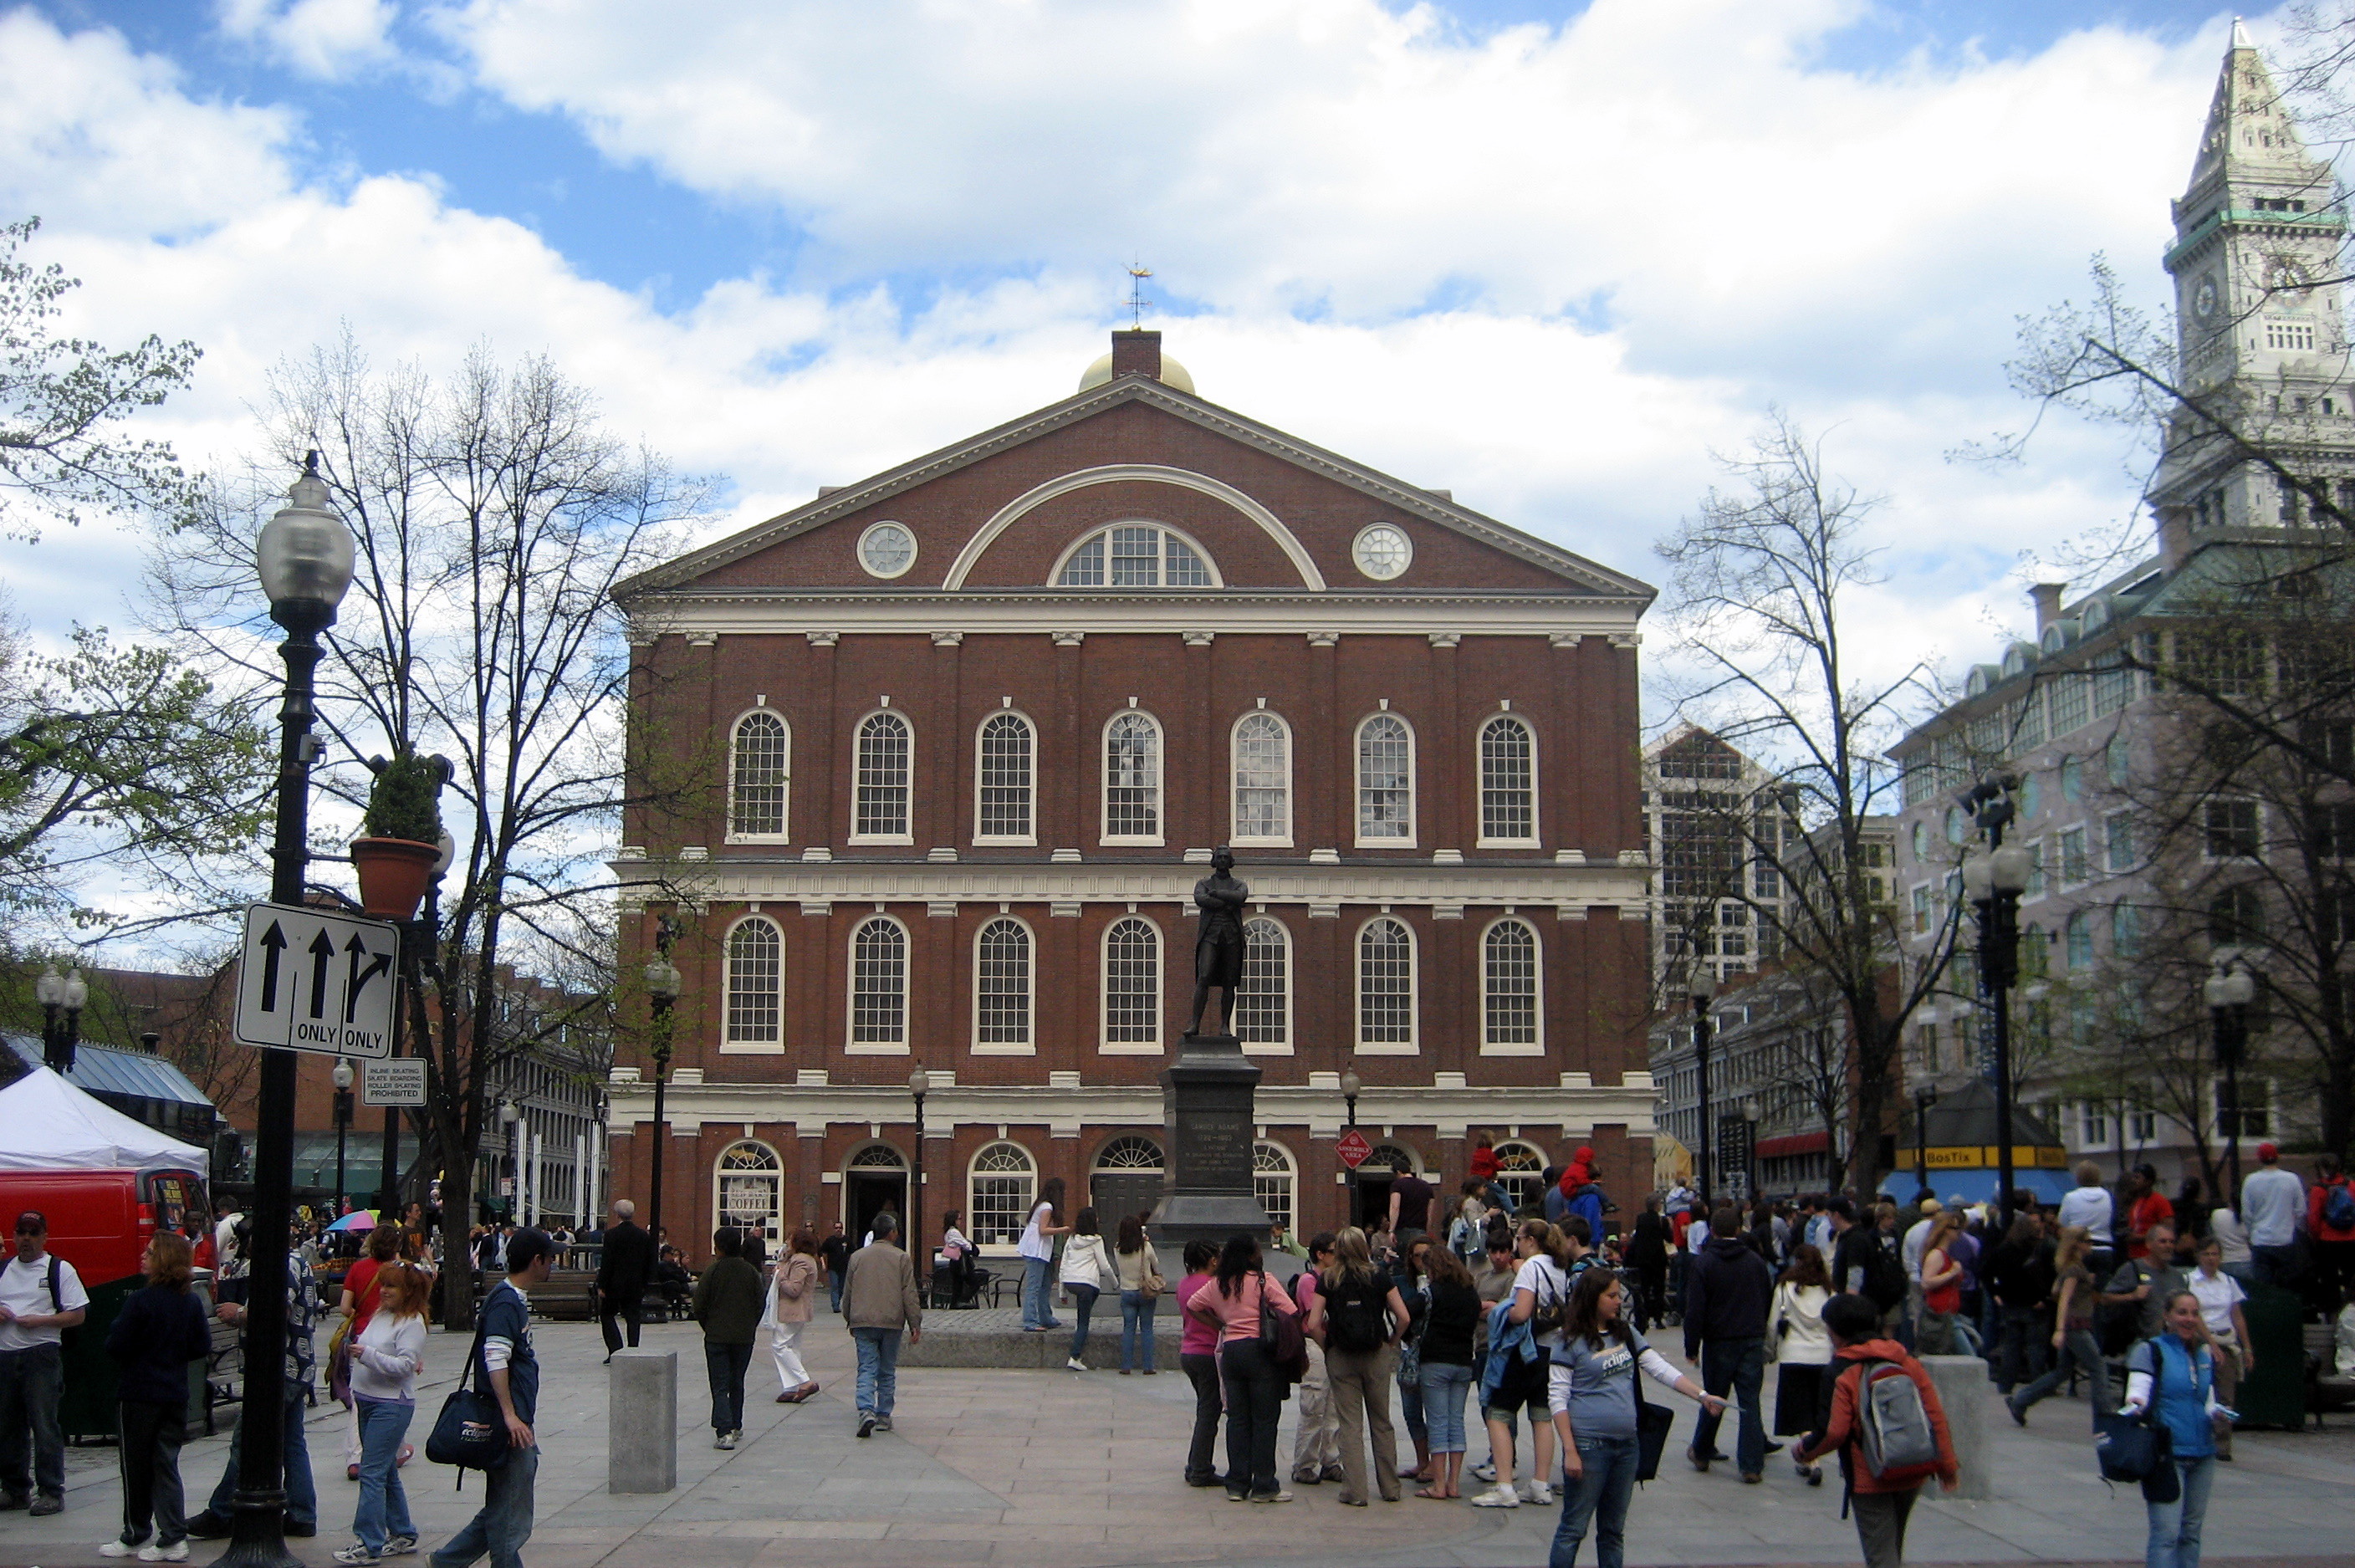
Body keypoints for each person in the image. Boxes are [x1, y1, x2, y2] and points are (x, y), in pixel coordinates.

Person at [1547, 1267, 1728, 1568]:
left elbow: (1659, 1368)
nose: (1619, 1301)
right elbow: (1557, 1397)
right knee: (1573, 1528)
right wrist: (1570, 1450)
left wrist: (1702, 1395)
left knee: (1613, 1531)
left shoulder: (1624, 1333)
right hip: (1589, 1445)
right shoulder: (1569, 1342)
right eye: (1612, 1296)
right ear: (1592, 1299)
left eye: (1619, 1295)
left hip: (1626, 1445)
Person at [1796, 1294, 1959, 1568]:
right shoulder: (1906, 1361)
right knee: (1892, 1547)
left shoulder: (1842, 1370)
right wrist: (1948, 1466)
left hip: (1870, 1474)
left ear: (1837, 1332)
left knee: (1880, 1556)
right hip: (1913, 1467)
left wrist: (1804, 1451)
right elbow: (1935, 1417)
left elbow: (1834, 1432)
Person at [184, 1226, 319, 1542]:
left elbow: (276, 1310)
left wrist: (240, 1312)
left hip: (279, 1368)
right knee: (291, 1443)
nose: (248, 1244)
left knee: (246, 1441)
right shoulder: (294, 1261)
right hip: (295, 1366)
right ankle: (302, 1513)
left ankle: (222, 1512)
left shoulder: (283, 1265)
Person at [430, 1228, 552, 1568]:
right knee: (510, 1512)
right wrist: (511, 1415)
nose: (552, 1264)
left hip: (514, 1420)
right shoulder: (505, 1301)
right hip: (507, 1422)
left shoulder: (510, 1299)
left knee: (504, 1503)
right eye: (550, 1258)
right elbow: (495, 1357)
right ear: (536, 1260)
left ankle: (446, 1562)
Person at [99, 1232, 209, 1561]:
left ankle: (135, 1531)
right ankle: (173, 1536)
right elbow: (201, 1346)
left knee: (135, 1466)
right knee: (166, 1464)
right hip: (174, 1392)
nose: (143, 1257)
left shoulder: (140, 1301)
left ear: (162, 1260)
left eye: (149, 1252)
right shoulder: (190, 1301)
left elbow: (115, 1344)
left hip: (139, 1392)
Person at [1185, 1232, 1298, 1503]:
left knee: (1237, 1419)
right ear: (1251, 1255)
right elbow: (1291, 1311)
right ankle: (1264, 1485)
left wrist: (1221, 1324)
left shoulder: (1219, 1284)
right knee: (1264, 1420)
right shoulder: (1262, 1280)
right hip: (1259, 1350)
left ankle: (1237, 1483)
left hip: (1231, 1352)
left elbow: (1192, 1306)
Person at [1304, 1226, 1407, 1507]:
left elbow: (1313, 1323)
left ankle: (1356, 1491)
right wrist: (1392, 1342)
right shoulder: (1379, 1276)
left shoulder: (1328, 1278)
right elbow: (1404, 1316)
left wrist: (1327, 1347)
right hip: (1376, 1353)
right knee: (1382, 1422)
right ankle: (1390, 1487)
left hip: (1342, 1354)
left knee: (1350, 1425)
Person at [2124, 1290, 2229, 1568]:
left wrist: (2217, 1412)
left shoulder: (2204, 1354)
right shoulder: (2151, 1350)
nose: (2189, 1319)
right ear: (2167, 1317)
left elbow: (2206, 1399)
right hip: (2166, 1456)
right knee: (2167, 1534)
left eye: (2195, 1313)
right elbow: (2138, 1391)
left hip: (2203, 1453)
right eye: (2182, 1312)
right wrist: (2135, 1404)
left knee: (2191, 1534)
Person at [1471, 1219, 1570, 1509]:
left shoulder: (1531, 1267)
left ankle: (1504, 1486)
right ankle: (1540, 1484)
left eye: (1519, 1237)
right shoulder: (1559, 1267)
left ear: (1529, 1240)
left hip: (1524, 1351)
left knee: (1498, 1413)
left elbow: (1521, 1313)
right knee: (1542, 1416)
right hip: (1552, 1351)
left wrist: (1502, 1309)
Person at [337, 1260, 429, 1565]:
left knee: (372, 1473)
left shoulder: (412, 1323)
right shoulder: (382, 1315)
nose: (384, 1291)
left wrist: (369, 1355)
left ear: (408, 1292)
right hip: (367, 1400)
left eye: (392, 1286)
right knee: (385, 1471)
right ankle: (403, 1532)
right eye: (383, 1284)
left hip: (390, 1405)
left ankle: (368, 1542)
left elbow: (405, 1367)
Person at [0, 1210, 89, 1518]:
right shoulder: (3, 1269)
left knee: (44, 1423)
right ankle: (14, 1488)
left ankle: (51, 1490)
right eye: (21, 1232)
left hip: (41, 1354)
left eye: (33, 1233)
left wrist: (42, 1321)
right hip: (5, 1355)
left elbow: (77, 1315)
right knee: (8, 1425)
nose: (26, 1239)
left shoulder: (58, 1269)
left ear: (44, 1237)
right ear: (13, 1236)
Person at [1683, 1203, 1774, 1483]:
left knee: (1714, 1398)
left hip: (1718, 1339)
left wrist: (1691, 1345)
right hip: (1750, 1337)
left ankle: (1701, 1449)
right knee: (1750, 1401)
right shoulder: (1755, 1262)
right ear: (1738, 1230)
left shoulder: (1705, 1263)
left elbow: (1695, 1308)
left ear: (1712, 1231)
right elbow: (1766, 1295)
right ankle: (1751, 1465)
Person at [2004, 1225, 2105, 1428]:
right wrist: (2060, 1330)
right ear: (2077, 1244)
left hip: (2073, 1325)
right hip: (2076, 1326)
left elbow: (2056, 1291)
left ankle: (2021, 1400)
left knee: (2062, 1371)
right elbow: (2064, 1300)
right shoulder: (2075, 1269)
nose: (2091, 1245)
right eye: (2088, 1241)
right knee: (2098, 1368)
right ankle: (2105, 1418)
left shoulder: (2070, 1268)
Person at [841, 1210, 922, 1438]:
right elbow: (909, 1293)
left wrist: (849, 1317)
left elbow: (848, 1291)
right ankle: (884, 1414)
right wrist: (915, 1322)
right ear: (892, 1233)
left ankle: (866, 1410)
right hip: (891, 1321)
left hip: (863, 1321)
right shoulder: (901, 1258)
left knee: (866, 1367)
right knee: (886, 1370)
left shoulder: (857, 1257)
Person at [335, 1224, 401, 1482]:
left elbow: (344, 1308)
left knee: (360, 1397)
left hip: (361, 1338)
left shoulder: (358, 1269)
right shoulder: (400, 1272)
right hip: (393, 1339)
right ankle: (392, 1449)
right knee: (395, 1397)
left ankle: (355, 1457)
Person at [1416, 1244, 1481, 1500]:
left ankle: (1439, 1485)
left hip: (1435, 1360)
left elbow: (1410, 1312)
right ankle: (1454, 1484)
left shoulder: (1432, 1292)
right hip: (1464, 1361)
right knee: (1456, 1421)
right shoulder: (1470, 1293)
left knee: (1438, 1423)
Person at [689, 1227, 763, 1450]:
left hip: (717, 1337)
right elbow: (760, 1304)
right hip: (743, 1337)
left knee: (720, 1385)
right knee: (737, 1381)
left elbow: (699, 1305)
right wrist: (750, 1326)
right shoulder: (750, 1272)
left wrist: (709, 1327)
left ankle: (724, 1431)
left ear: (718, 1247)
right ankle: (736, 1424)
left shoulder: (712, 1272)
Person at [1767, 1244, 1833, 1486]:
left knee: (1800, 1411)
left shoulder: (1785, 1288)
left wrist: (1770, 1349)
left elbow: (1773, 1324)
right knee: (1818, 1411)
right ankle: (1811, 1457)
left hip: (1793, 1355)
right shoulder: (1829, 1290)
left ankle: (1811, 1460)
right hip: (1823, 1355)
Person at [2185, 1238, 2252, 1461]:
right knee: (2201, 1391)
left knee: (2226, 1394)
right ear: (2198, 1256)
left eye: (2215, 1255)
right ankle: (2197, 1437)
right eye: (2207, 1254)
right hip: (2201, 1340)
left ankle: (2223, 1445)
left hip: (2227, 1339)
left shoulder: (2229, 1282)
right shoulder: (2190, 1281)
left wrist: (2247, 1347)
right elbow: (2195, 1316)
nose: (2211, 1259)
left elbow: (2237, 1315)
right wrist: (2210, 1344)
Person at [1286, 1233, 1343, 1485]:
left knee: (1334, 1409)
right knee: (1314, 1406)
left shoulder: (1336, 1278)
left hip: (1333, 1346)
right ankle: (1304, 1464)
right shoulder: (1309, 1282)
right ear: (1320, 1254)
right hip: (1315, 1346)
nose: (1338, 1256)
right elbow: (1314, 1321)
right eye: (1334, 1251)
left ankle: (1331, 1461)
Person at [1983, 1214, 2056, 1397]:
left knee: (2011, 1347)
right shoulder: (2036, 1250)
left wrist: (1996, 1293)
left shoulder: (2003, 1250)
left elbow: (1985, 1272)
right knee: (2035, 1347)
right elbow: (2046, 1277)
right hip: (2035, 1304)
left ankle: (2006, 1384)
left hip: (2010, 1302)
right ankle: (2039, 1386)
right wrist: (2043, 1298)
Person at [1173, 1240, 1226, 1488]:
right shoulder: (1211, 1285)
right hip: (1208, 1352)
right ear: (1213, 1260)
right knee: (1209, 1412)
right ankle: (1200, 1468)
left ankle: (1195, 1463)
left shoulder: (1184, 1284)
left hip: (1189, 1351)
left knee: (1205, 1408)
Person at [2104, 1218, 2189, 1343]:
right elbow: (2105, 1298)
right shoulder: (2132, 1269)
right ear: (2149, 1244)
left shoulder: (2177, 1276)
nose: (2168, 1246)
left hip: (2174, 1342)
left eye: (2171, 1242)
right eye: (2163, 1242)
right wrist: (2132, 1296)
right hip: (2143, 1342)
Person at [595, 1199, 655, 1360]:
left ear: (617, 1214)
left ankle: (615, 1350)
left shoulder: (611, 1235)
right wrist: (645, 1282)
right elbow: (650, 1260)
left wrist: (602, 1284)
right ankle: (633, 1349)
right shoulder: (643, 1235)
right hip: (635, 1284)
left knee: (607, 1315)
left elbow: (607, 1261)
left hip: (615, 1283)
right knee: (633, 1317)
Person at [2240, 1142, 2305, 1290]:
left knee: (2263, 1288)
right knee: (2288, 1288)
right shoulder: (2291, 1179)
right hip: (2285, 1240)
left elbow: (2247, 1214)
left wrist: (2251, 1234)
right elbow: (2301, 1210)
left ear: (2259, 1159)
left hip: (2261, 1241)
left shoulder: (2251, 1181)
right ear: (2277, 1157)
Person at [1056, 1207, 1115, 1371]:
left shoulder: (1071, 1239)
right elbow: (1105, 1266)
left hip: (1070, 1281)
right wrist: (1115, 1283)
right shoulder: (1097, 1241)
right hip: (1087, 1284)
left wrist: (1062, 1291)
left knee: (1084, 1308)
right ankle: (1075, 1357)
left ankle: (1079, 1327)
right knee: (1084, 1321)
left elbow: (1063, 1265)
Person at [770, 1227, 822, 1403]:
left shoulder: (801, 1261)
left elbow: (794, 1289)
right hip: (798, 1311)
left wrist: (779, 1276)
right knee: (792, 1347)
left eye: (790, 1240)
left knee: (780, 1345)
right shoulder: (799, 1259)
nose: (787, 1243)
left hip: (792, 1309)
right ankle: (791, 1387)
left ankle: (804, 1381)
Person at [1016, 1178, 1070, 1333]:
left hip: (1043, 1251)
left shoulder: (1042, 1205)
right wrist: (1063, 1229)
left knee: (1045, 1285)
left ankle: (1046, 1317)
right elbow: (1043, 1230)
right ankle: (1030, 1320)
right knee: (1034, 1287)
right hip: (1036, 1251)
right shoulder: (1047, 1207)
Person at [1112, 1214, 1162, 1375]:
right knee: (1147, 1328)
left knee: (1129, 1329)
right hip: (1145, 1291)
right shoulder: (1145, 1247)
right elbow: (1156, 1263)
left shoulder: (1117, 1248)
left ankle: (1126, 1365)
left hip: (1127, 1291)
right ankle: (1148, 1366)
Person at [1914, 1211, 1965, 1356]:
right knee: (1968, 1355)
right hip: (1941, 1316)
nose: (1959, 1232)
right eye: (1955, 1228)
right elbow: (1926, 1282)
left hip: (1950, 1315)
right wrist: (1952, 1273)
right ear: (1945, 1230)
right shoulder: (1937, 1255)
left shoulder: (1947, 1254)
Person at [2308, 1153, 2355, 1309]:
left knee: (2330, 1279)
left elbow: (2314, 1219)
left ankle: (2334, 1313)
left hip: (2327, 1239)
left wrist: (2316, 1239)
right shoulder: (2351, 1186)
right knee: (2351, 1277)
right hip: (2351, 1238)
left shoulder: (2318, 1189)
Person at [2056, 1164, 2114, 1278]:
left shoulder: (2070, 1197)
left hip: (2079, 1249)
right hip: (2104, 1247)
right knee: (2102, 1286)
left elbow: (2062, 1222)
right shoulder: (2108, 1196)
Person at [1624, 1198, 1669, 1334]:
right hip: (1658, 1258)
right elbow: (1669, 1238)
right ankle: (1658, 1319)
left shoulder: (1641, 1218)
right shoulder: (1662, 1220)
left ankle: (1644, 1316)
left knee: (1644, 1288)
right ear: (1657, 1206)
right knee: (1658, 1289)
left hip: (1643, 1259)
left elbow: (1638, 1237)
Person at [2123, 1164, 2174, 1261]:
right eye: (2133, 1177)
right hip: (2133, 1256)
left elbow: (2168, 1229)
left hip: (2150, 1256)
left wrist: (2141, 1238)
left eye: (2138, 1178)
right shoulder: (2136, 1201)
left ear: (2148, 1181)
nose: (2134, 1181)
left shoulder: (2160, 1201)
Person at [1390, 1165, 1437, 1239]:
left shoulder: (1397, 1185)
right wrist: (1427, 1232)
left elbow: (1395, 1207)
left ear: (1398, 1172)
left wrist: (1391, 1230)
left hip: (1402, 1231)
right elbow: (1429, 1214)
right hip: (1421, 1231)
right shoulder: (1427, 1187)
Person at [817, 1223, 851, 1314]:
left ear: (842, 1229)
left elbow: (852, 1252)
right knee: (835, 1285)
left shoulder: (847, 1240)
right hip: (833, 1267)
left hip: (844, 1267)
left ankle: (838, 1301)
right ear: (834, 1229)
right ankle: (835, 1305)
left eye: (840, 1228)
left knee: (841, 1287)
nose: (838, 1230)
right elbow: (821, 1251)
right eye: (836, 1228)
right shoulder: (830, 1240)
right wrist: (823, 1264)